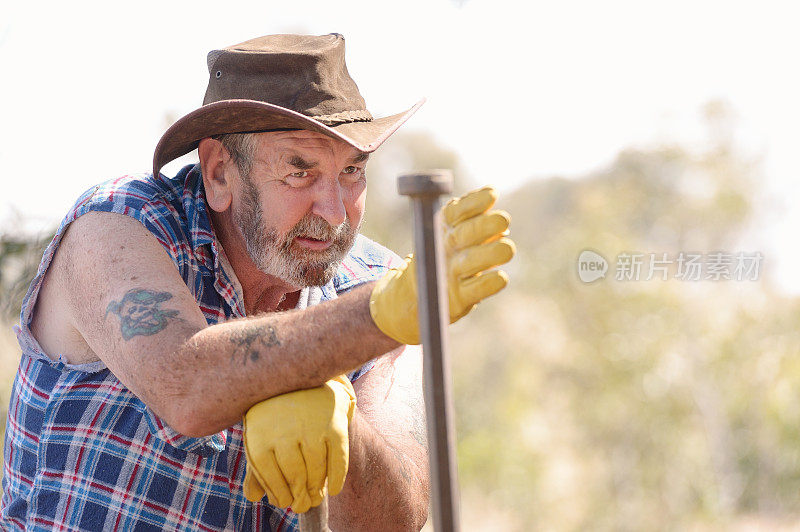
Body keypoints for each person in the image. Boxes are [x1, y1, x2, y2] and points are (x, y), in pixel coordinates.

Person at [1, 33, 514, 531]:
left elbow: (393, 522)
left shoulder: (373, 279)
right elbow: (186, 384)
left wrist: (344, 424)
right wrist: (378, 317)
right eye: (300, 173)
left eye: (353, 172)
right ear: (220, 173)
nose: (335, 213)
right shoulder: (117, 227)